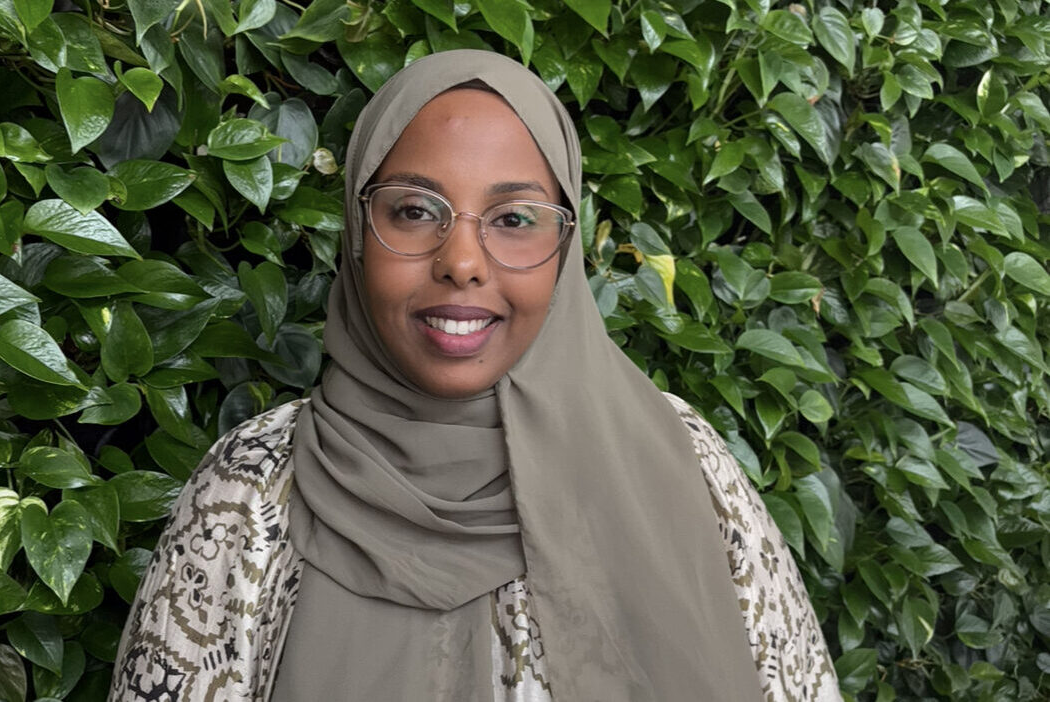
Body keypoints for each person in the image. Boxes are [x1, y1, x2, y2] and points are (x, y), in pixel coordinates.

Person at [109, 50, 840, 701]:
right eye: (414, 210)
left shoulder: (681, 463)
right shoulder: (254, 486)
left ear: (566, 245)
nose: (461, 261)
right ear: (359, 232)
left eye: (514, 218)